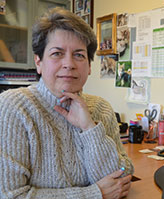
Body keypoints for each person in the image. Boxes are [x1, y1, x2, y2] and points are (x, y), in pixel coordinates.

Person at [0, 7, 134, 199]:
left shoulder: (101, 108)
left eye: (79, 55)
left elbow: (121, 176)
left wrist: (89, 128)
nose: (69, 63)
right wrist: (94, 194)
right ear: (38, 62)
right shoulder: (13, 108)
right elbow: (10, 195)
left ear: (89, 67)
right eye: (57, 53)